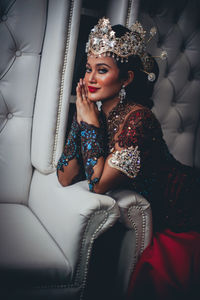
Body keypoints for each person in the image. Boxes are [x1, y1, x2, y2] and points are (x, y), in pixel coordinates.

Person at [57, 18, 200, 299]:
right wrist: (82, 120)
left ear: (126, 79)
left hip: (186, 206)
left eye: (102, 70)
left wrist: (88, 125)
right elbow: (65, 176)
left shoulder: (138, 120)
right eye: (88, 70)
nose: (90, 79)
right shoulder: (95, 114)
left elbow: (98, 184)